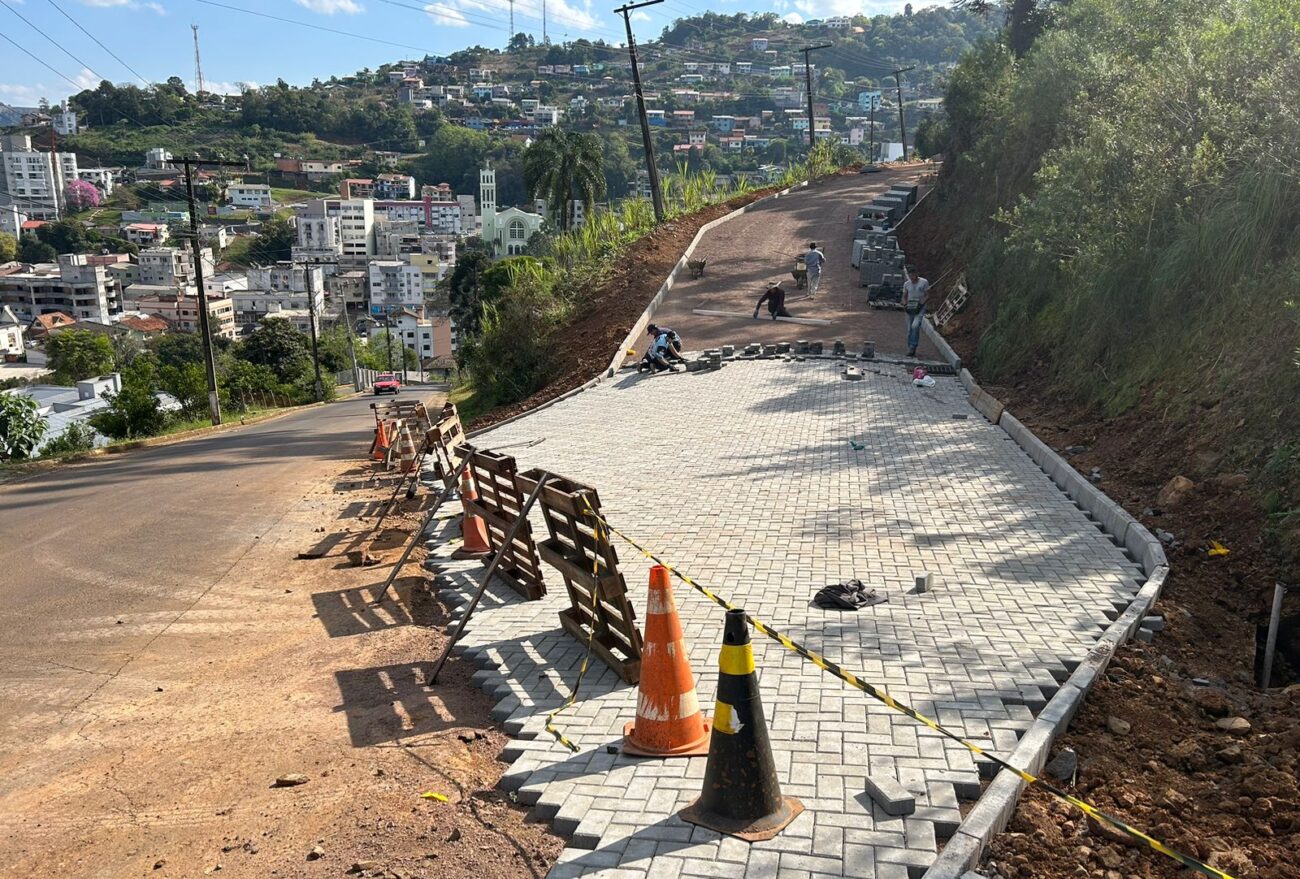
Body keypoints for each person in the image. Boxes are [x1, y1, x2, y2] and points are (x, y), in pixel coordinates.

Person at [902, 265, 930, 357]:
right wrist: (905, 304)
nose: (912, 277)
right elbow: (904, 296)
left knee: (915, 325)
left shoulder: (924, 282)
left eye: (913, 275)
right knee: (910, 329)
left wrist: (921, 304)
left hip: (919, 308)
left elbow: (927, 295)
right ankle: (910, 347)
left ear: (917, 274)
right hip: (910, 308)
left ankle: (913, 346)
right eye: (910, 276)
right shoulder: (907, 284)